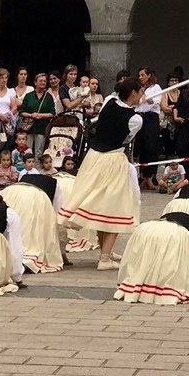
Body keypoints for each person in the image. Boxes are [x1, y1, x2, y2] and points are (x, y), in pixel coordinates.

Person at [58, 78, 144, 269]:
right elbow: (126, 138)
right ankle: (104, 258)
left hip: (94, 157)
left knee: (101, 205)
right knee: (114, 206)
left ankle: (107, 251)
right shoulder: (136, 119)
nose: (143, 95)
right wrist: (134, 109)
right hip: (113, 159)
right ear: (133, 93)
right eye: (141, 91)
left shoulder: (109, 101)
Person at [113, 213, 189, 305]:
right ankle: (162, 289)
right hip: (175, 234)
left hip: (146, 229)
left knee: (144, 259)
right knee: (171, 262)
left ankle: (139, 286)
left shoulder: (165, 215)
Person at [1, 174, 64, 274]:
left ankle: (5, 254)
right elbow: (57, 208)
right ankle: (26, 258)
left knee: (11, 225)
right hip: (35, 198)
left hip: (9, 192)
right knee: (30, 229)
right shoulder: (55, 184)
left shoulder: (23, 178)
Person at [18, 73, 57, 157]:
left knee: (39, 152)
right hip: (29, 127)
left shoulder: (48, 97)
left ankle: (37, 165)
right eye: (41, 81)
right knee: (27, 151)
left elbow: (52, 113)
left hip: (42, 127)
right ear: (35, 82)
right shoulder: (29, 96)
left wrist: (40, 115)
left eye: (44, 81)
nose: (43, 83)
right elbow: (21, 111)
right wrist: (30, 115)